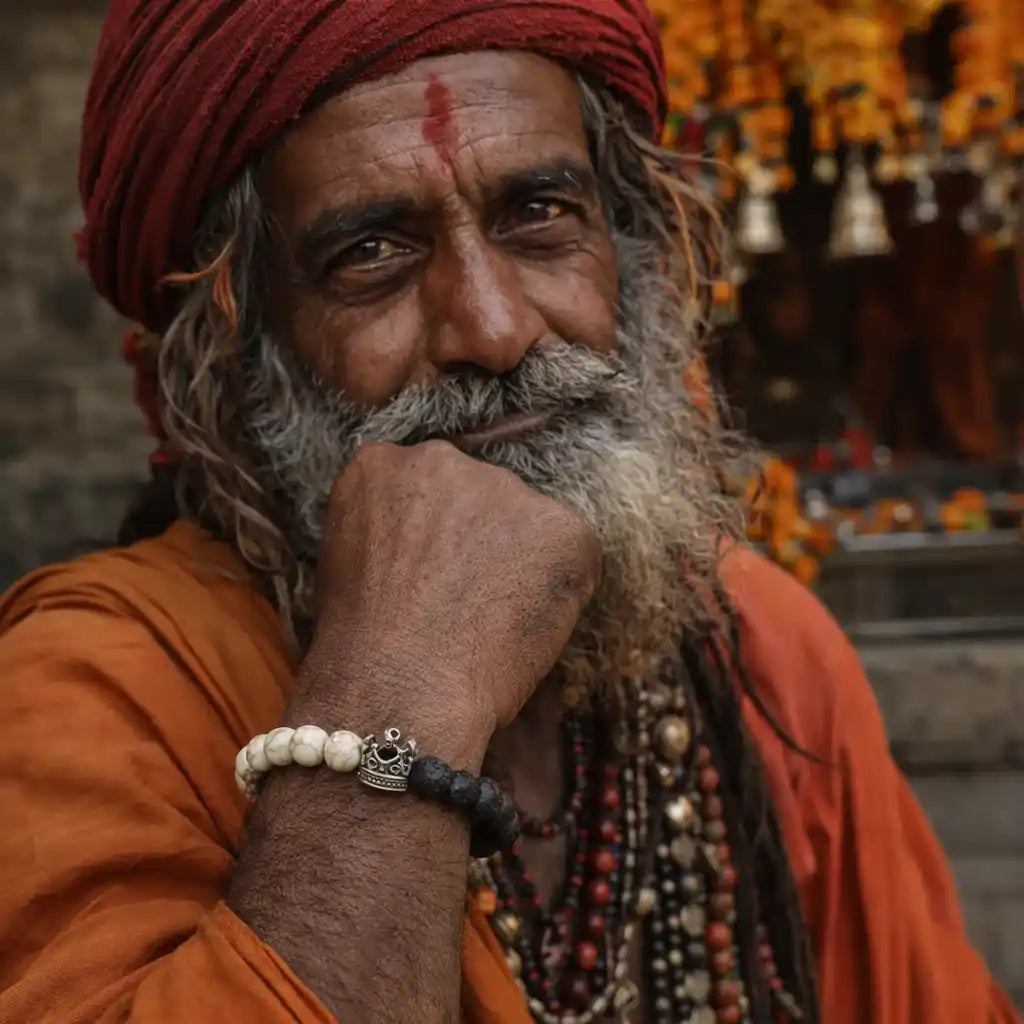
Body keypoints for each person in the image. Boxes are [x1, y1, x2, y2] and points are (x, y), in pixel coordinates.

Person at [0, 2, 1016, 1023]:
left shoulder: (763, 651)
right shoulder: (92, 687)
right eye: (371, 253)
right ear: (235, 350)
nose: (491, 328)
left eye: (538, 215)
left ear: (632, 256)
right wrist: (401, 688)